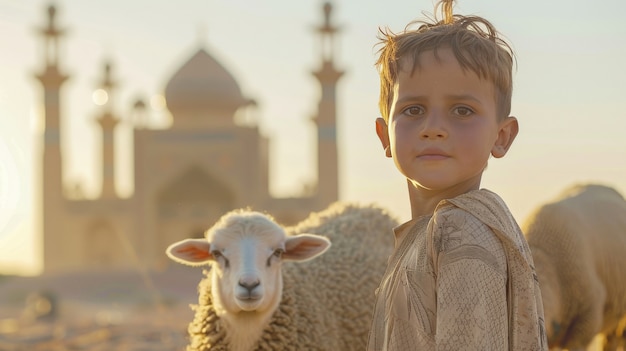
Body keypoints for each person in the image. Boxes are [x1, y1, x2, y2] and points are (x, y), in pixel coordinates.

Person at [367, 0, 548, 350]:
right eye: (413, 109)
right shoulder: (425, 237)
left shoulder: (460, 231)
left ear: (501, 136)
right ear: (384, 136)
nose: (433, 128)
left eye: (462, 110)